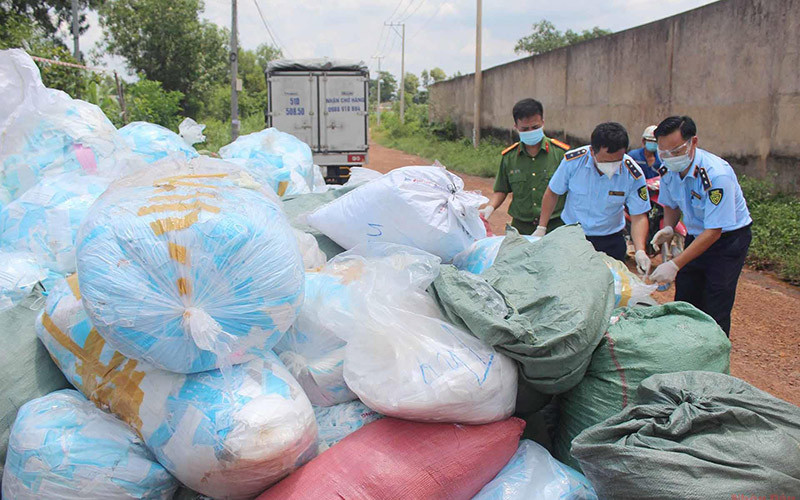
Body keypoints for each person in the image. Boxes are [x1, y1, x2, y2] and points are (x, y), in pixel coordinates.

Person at [649, 116, 752, 336]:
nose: (669, 158)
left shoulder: (716, 175)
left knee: (716, 299)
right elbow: (671, 203)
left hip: (727, 240)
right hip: (697, 235)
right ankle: (684, 346)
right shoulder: (668, 168)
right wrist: (669, 227)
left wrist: (674, 264)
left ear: (692, 142)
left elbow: (714, 231)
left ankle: (713, 357)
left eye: (675, 152)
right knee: (686, 296)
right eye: (663, 153)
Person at [537, 122, 652, 274]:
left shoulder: (632, 173)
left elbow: (638, 215)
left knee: (611, 289)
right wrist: (541, 227)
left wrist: (640, 251)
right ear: (592, 151)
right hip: (573, 237)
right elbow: (552, 193)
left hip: (610, 241)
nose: (611, 166)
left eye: (616, 161)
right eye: (605, 161)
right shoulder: (573, 162)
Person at [480, 98, 570, 234]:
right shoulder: (509, 157)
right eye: (525, 129)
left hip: (555, 227)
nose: (531, 131)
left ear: (543, 123)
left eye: (535, 127)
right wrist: (490, 208)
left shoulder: (561, 154)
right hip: (521, 229)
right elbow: (501, 189)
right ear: (516, 127)